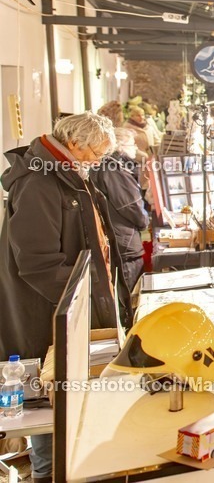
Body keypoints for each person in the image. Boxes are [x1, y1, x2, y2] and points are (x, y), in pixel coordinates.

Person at [1, 113, 132, 483]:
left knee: (69, 409)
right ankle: (48, 474)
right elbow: (38, 263)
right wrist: (82, 308)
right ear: (74, 144)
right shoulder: (40, 182)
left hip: (68, 314)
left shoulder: (66, 172)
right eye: (95, 152)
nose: (98, 160)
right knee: (52, 411)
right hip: (48, 319)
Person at [91, 128, 149, 293]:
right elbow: (131, 207)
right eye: (132, 144)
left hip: (118, 241)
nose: (135, 149)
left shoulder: (107, 166)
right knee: (129, 296)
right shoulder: (114, 169)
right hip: (124, 244)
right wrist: (144, 220)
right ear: (121, 146)